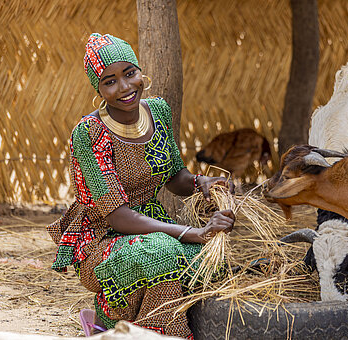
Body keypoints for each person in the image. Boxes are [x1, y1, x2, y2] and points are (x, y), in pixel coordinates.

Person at [46, 33, 235, 339]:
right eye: (110, 81)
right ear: (98, 89)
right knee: (160, 252)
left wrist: (202, 182)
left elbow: (175, 176)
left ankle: (133, 326)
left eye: (129, 73)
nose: (124, 87)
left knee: (212, 264)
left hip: (154, 227)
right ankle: (110, 323)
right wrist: (192, 233)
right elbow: (117, 216)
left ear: (139, 71)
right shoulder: (89, 133)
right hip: (102, 241)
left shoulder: (157, 111)